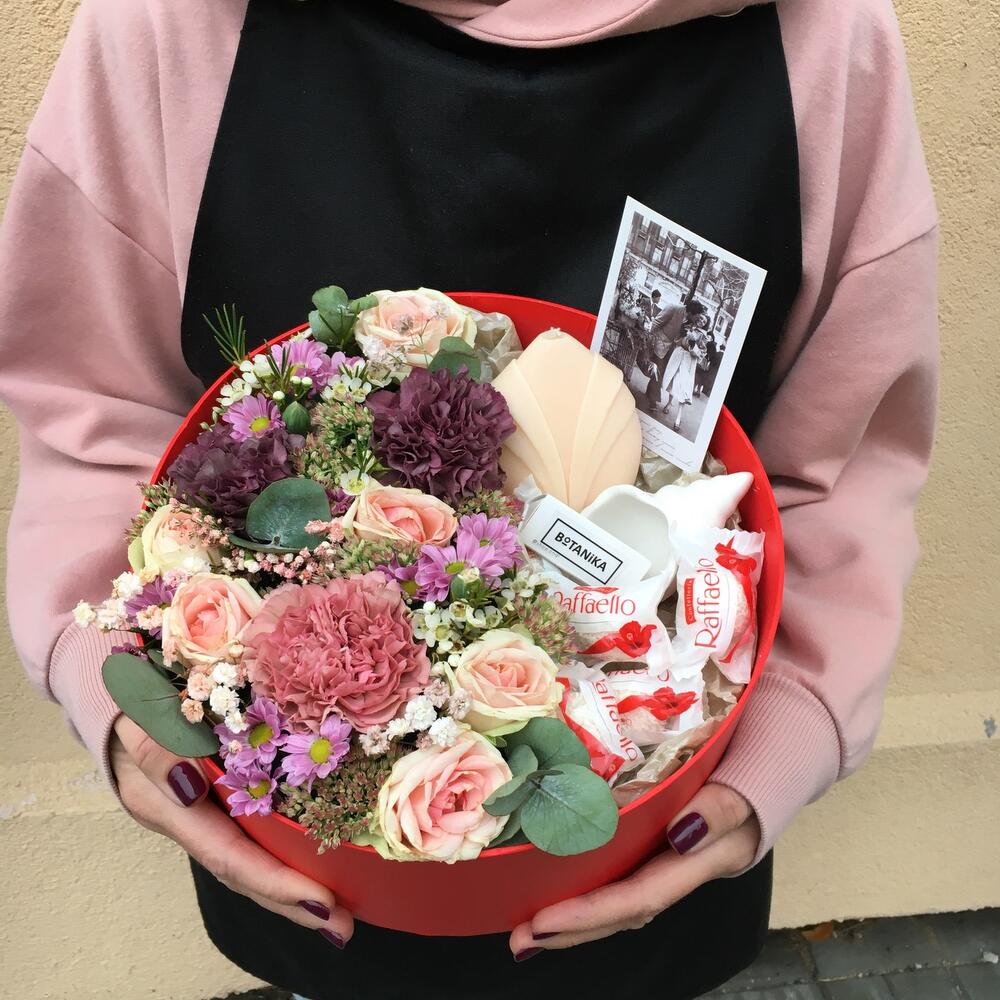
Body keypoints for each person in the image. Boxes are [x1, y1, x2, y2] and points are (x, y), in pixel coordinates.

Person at [0, 1, 939, 999]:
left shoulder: (823, 39)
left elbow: (837, 472)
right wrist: (123, 696)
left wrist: (783, 742)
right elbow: (97, 412)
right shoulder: (169, 24)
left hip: (662, 843)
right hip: (303, 851)